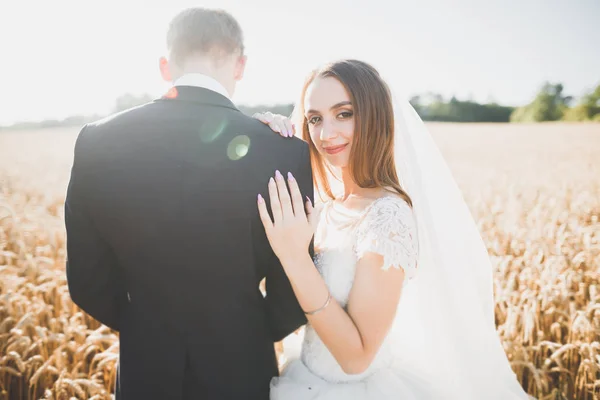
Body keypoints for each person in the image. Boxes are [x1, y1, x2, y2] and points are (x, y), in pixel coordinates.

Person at [64, 7, 313, 399]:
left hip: (145, 372)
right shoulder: (285, 154)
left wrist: (146, 324)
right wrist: (245, 329)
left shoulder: (96, 142)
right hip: (242, 371)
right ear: (240, 65)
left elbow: (87, 282)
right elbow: (294, 288)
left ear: (166, 65)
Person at [252, 59, 533, 399]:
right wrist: (263, 141)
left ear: (374, 116)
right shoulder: (326, 205)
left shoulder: (388, 216)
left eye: (344, 114)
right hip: (302, 377)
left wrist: (295, 259)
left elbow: (356, 357)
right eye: (315, 119)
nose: (326, 134)